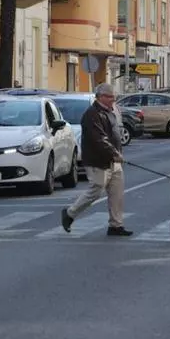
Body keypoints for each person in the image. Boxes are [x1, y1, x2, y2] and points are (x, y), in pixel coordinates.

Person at [61, 83, 133, 237]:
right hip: (98, 160)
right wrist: (114, 153)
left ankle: (116, 225)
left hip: (113, 160)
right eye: (110, 97)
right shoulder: (92, 114)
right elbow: (99, 139)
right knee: (96, 189)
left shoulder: (110, 111)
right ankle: (70, 213)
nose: (113, 99)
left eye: (114, 96)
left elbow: (114, 134)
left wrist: (117, 153)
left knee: (117, 194)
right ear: (100, 97)